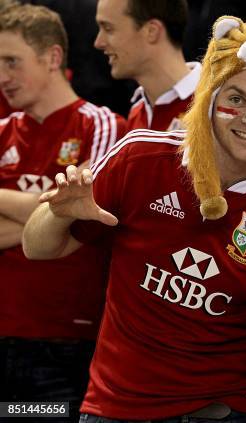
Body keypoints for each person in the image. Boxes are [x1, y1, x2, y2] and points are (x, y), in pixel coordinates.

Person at [22, 16, 246, 422]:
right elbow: (37, 247)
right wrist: (56, 212)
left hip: (219, 413)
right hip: (114, 409)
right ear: (209, 99)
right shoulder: (140, 157)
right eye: (237, 99)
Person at [0, 4, 126, 421]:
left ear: (53, 58)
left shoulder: (101, 126)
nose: (2, 77)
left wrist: (58, 215)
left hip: (66, 343)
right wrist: (51, 215)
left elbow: (87, 216)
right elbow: (63, 210)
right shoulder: (3, 132)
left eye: (11, 61)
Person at [94, 0, 197, 131]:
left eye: (108, 29)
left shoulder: (214, 105)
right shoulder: (137, 114)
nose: (98, 43)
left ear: (152, 31)